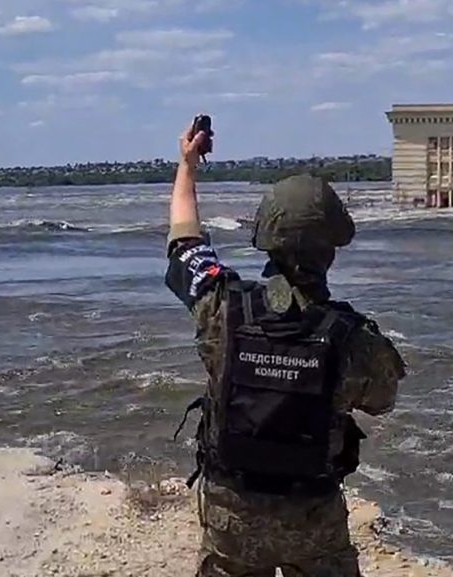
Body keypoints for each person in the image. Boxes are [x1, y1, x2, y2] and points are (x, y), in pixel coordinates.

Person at [163, 119, 406, 577]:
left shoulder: (222, 307)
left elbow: (183, 243)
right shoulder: (351, 338)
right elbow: (382, 399)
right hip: (313, 519)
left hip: (230, 514)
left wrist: (187, 165)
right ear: (331, 249)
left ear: (265, 239)